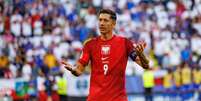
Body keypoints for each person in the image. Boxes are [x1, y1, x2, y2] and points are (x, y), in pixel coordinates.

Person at [61, 9, 149, 101]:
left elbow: (145, 65)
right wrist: (73, 70)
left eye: (105, 20)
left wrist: (141, 55)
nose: (101, 23)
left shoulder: (125, 43)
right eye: (100, 20)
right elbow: (79, 71)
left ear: (114, 24)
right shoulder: (89, 44)